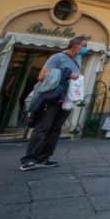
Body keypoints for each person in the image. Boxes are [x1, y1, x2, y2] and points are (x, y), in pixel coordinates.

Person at [20, 35, 88, 171]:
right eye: (84, 46)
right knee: (43, 127)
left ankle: (44, 158)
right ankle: (28, 159)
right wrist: (66, 74)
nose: (86, 49)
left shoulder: (78, 59)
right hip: (52, 97)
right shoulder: (57, 57)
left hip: (66, 99)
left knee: (55, 129)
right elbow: (42, 76)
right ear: (75, 46)